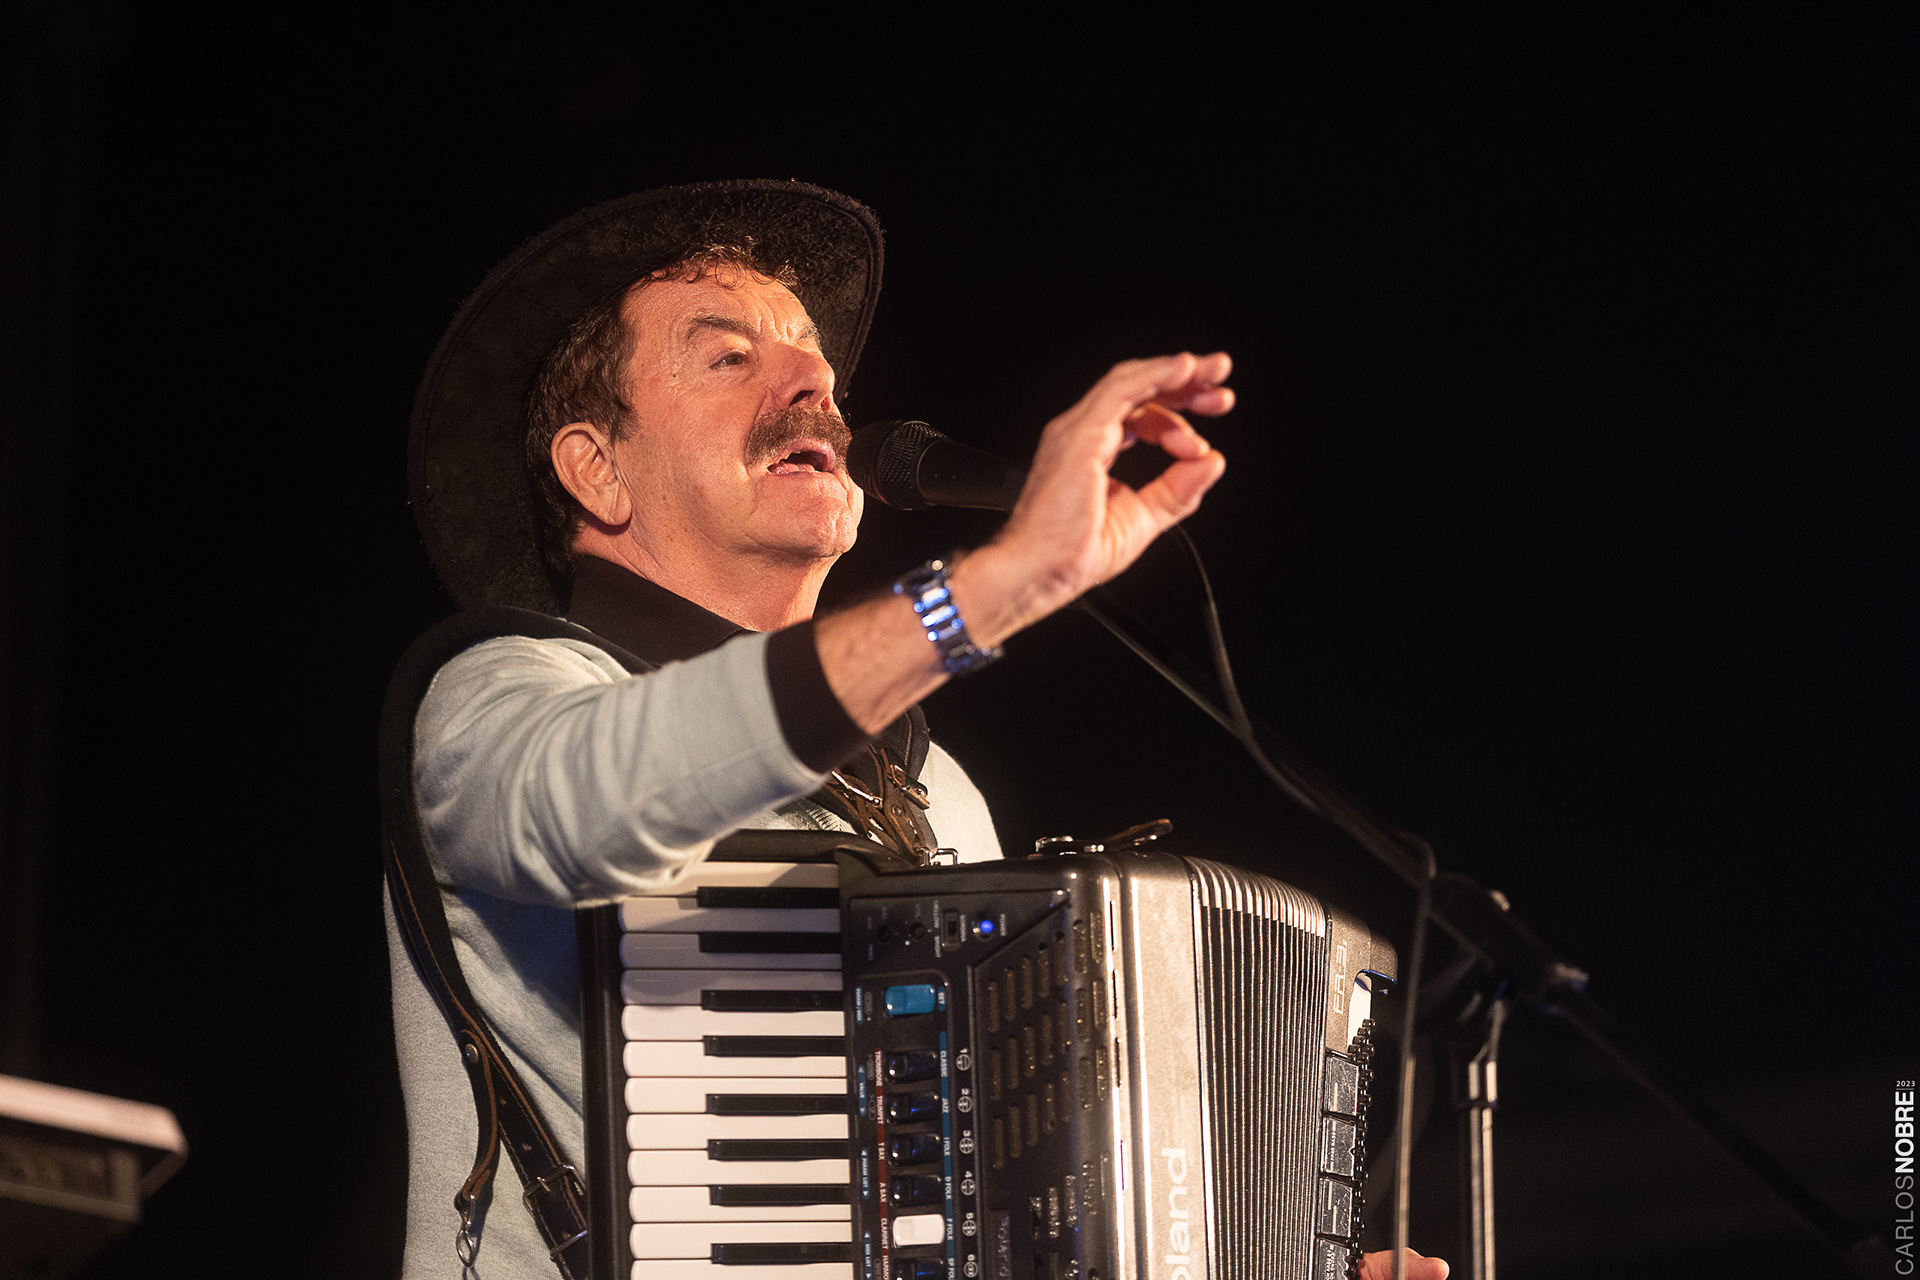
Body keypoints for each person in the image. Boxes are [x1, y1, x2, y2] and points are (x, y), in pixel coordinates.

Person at [388, 181, 1447, 1280]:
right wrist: (992, 587)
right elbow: (598, 797)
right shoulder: (495, 695)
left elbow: (988, 1230)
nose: (815, 384)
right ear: (596, 468)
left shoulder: (941, 791)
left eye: (815, 359)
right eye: (728, 357)